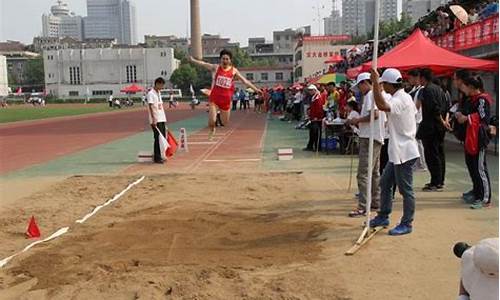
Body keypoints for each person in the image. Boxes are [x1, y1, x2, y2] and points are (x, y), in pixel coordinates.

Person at [369, 68, 420, 236]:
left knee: (406, 190)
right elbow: (383, 100)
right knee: (385, 182)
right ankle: (383, 215)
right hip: (398, 151)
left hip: (405, 152)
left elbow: (382, 105)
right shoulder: (400, 96)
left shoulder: (401, 100)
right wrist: (377, 84)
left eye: (384, 84)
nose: (383, 87)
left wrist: (375, 82)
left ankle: (407, 223)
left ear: (390, 85)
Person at [189, 49, 261, 139]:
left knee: (225, 123)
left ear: (230, 60)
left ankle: (222, 116)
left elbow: (245, 81)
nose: (225, 61)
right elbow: (203, 64)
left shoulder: (234, 71)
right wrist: (193, 60)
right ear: (220, 59)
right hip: (214, 98)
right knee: (212, 121)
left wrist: (256, 89)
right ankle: (212, 129)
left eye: (227, 59)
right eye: (223, 59)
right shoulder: (216, 67)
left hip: (226, 101)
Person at [346, 73, 388, 217]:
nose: (359, 89)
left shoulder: (371, 94)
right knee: (374, 173)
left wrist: (356, 120)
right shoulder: (375, 94)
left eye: (359, 85)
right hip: (376, 136)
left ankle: (363, 206)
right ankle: (375, 201)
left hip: (370, 137)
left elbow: (374, 115)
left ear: (365, 83)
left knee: (363, 173)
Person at [453, 70, 493, 209]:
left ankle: (485, 198)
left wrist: (467, 118)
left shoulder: (482, 100)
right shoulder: (470, 99)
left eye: (466, 86)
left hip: (479, 138)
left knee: (480, 169)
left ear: (471, 87)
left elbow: (483, 119)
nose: (463, 89)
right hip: (470, 137)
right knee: (472, 167)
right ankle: (477, 192)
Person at [418, 68, 447, 191]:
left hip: (431, 127)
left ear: (423, 78)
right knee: (439, 154)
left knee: (431, 155)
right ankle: (439, 180)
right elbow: (444, 106)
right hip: (438, 127)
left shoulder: (427, 90)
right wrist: (443, 121)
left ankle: (436, 181)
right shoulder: (439, 89)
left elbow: (434, 109)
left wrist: (440, 120)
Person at [407, 69, 427, 171]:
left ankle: (422, 164)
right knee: (415, 142)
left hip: (417, 119)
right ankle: (418, 163)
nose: (409, 80)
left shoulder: (421, 89)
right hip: (413, 118)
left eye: (410, 78)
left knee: (417, 142)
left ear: (415, 78)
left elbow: (417, 106)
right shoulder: (414, 89)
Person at [147, 77, 167, 164]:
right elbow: (151, 107)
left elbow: (160, 107)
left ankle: (162, 155)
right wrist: (154, 119)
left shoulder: (158, 93)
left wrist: (164, 119)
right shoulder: (151, 94)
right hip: (156, 119)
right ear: (157, 84)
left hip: (161, 118)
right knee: (157, 138)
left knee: (162, 138)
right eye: (161, 85)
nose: (162, 87)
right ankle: (157, 157)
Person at [303, 85, 325, 152]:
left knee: (316, 134)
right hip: (312, 118)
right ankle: (310, 146)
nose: (310, 91)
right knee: (312, 133)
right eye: (309, 90)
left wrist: (316, 117)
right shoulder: (314, 97)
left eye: (311, 90)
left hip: (317, 119)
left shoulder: (318, 98)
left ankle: (318, 148)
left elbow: (319, 108)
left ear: (315, 90)